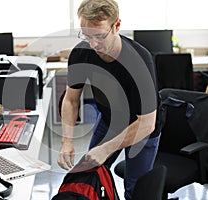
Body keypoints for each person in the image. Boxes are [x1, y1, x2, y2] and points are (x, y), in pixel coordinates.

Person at [57, 0, 161, 199]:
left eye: (100, 36)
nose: (94, 44)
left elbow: (147, 124)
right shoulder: (82, 54)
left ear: (117, 26)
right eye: (87, 35)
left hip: (142, 128)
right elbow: (71, 100)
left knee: (135, 189)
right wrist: (67, 141)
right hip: (109, 121)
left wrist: (106, 148)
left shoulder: (139, 61)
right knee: (89, 174)